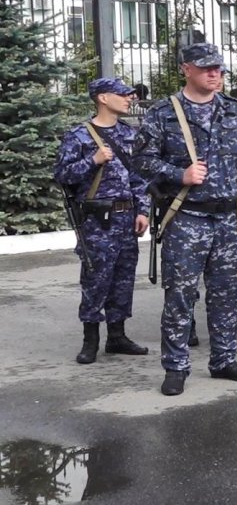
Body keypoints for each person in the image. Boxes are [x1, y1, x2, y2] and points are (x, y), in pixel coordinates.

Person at [133, 43, 237, 396]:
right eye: (207, 68)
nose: (215, 74)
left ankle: (224, 360)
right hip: (187, 218)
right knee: (180, 295)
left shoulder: (233, 111)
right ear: (186, 69)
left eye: (219, 69)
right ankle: (176, 367)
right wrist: (179, 174)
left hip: (226, 219)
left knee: (227, 294)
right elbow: (141, 161)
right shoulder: (163, 112)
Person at [54, 78, 152, 365]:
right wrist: (93, 160)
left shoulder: (129, 134)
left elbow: (139, 177)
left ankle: (117, 336)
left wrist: (142, 210)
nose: (129, 99)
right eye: (122, 95)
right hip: (98, 220)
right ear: (103, 98)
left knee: (123, 278)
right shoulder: (79, 136)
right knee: (96, 279)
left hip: (126, 216)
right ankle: (90, 340)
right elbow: (62, 175)